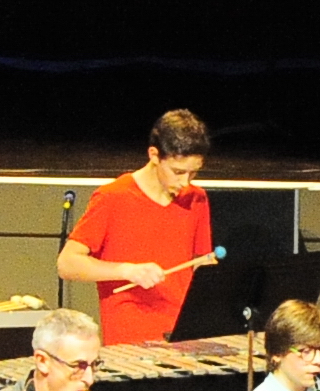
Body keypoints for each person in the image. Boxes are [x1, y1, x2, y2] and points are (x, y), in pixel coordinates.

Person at [57, 108, 214, 347]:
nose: (185, 183)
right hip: (131, 339)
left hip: (183, 334)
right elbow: (67, 264)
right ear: (154, 155)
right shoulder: (113, 197)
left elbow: (201, 262)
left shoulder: (197, 199)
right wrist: (127, 271)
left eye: (193, 173)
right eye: (178, 172)